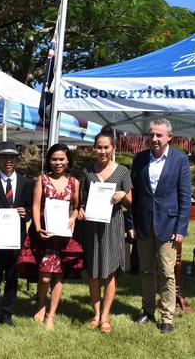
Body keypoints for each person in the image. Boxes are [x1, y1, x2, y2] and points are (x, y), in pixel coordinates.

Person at [130, 118, 191, 334]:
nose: (154, 139)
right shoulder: (139, 159)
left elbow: (185, 197)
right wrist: (131, 224)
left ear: (169, 137)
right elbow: (133, 195)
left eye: (159, 135)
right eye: (152, 134)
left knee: (167, 272)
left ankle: (167, 317)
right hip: (144, 224)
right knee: (146, 270)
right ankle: (147, 311)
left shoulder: (180, 159)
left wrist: (181, 229)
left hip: (168, 226)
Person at [76, 126, 132, 334]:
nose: (102, 151)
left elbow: (130, 202)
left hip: (113, 226)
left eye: (106, 147)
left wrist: (122, 195)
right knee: (93, 272)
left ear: (113, 148)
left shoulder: (122, 171)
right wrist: (80, 209)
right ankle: (96, 313)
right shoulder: (87, 171)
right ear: (93, 148)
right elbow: (81, 200)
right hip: (92, 227)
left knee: (109, 272)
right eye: (99, 147)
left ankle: (106, 316)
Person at [30, 143, 83, 330]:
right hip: (46, 234)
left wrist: (73, 218)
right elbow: (35, 206)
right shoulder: (42, 179)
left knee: (58, 276)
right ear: (49, 160)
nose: (58, 163)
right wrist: (37, 228)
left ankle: (51, 314)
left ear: (68, 160)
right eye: (54, 159)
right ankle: (41, 305)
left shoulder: (74, 182)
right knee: (44, 277)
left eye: (61, 159)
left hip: (64, 237)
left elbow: (77, 206)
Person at [0, 141, 33, 329]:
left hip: (16, 238)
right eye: (4, 157)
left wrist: (24, 213)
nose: (8, 160)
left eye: (12, 157)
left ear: (17, 159)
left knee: (12, 277)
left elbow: (30, 209)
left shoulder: (27, 183)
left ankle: (8, 313)